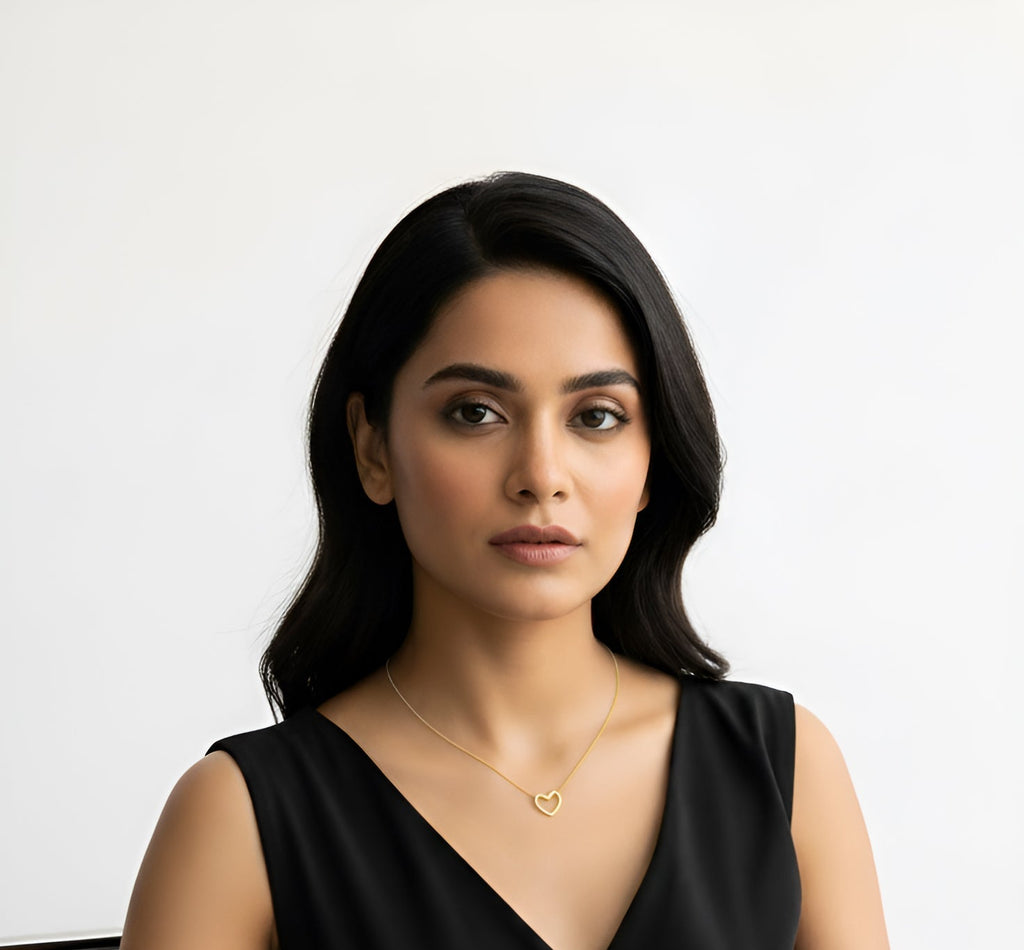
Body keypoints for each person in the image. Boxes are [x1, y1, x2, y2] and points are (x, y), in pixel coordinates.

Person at [121, 172, 889, 949]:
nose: (541, 474)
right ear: (373, 447)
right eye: (476, 413)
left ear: (653, 460)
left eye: (596, 417)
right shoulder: (238, 820)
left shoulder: (784, 772)